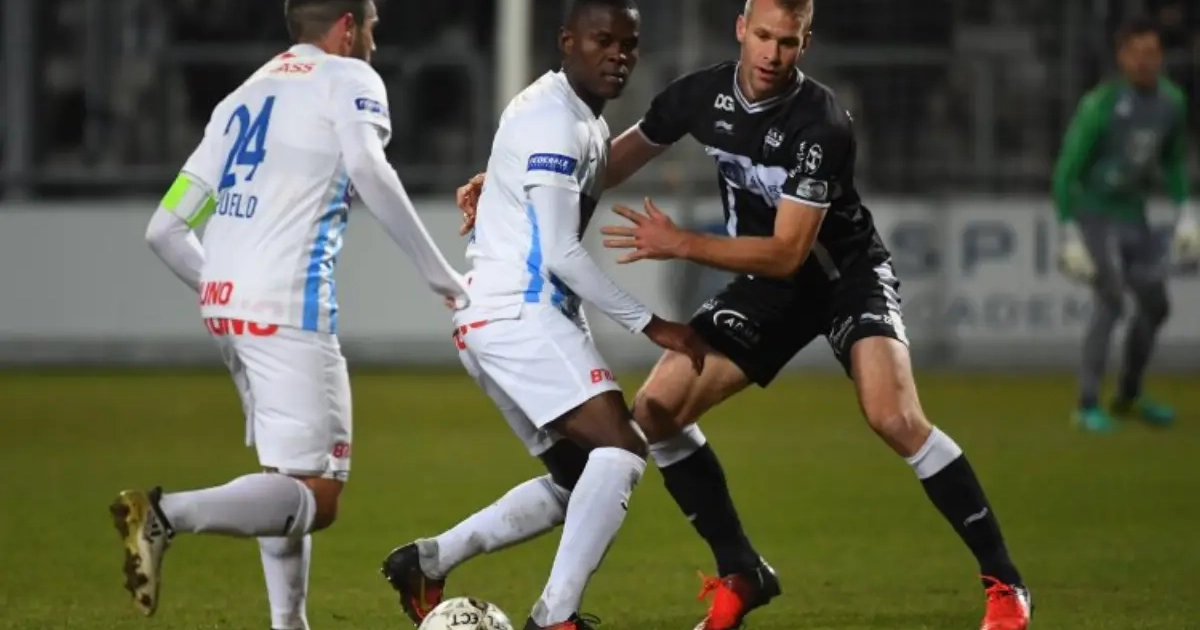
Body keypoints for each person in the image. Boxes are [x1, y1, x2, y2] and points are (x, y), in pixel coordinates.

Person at [454, 1, 1034, 629]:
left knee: (892, 415)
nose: (771, 54)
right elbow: (607, 164)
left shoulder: (822, 123)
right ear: (741, 29)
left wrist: (681, 242)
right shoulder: (700, 96)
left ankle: (1005, 583)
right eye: (762, 36)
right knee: (656, 412)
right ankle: (742, 571)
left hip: (844, 279)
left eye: (787, 42)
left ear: (804, 44)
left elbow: (789, 251)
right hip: (767, 288)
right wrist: (510, 177)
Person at [112, 2, 470, 628]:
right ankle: (164, 514)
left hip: (226, 305)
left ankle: (288, 623)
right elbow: (369, 167)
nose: (375, 41)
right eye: (372, 26)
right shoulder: (349, 78)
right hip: (288, 307)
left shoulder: (242, 97)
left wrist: (226, 284)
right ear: (346, 26)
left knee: (283, 477)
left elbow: (164, 229)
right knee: (318, 496)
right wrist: (441, 274)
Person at [380, 2, 706, 629]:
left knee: (579, 476)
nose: (618, 55)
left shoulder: (567, 114)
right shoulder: (556, 120)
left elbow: (541, 189)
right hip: (519, 314)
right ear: (566, 42)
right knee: (621, 449)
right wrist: (652, 324)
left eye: (629, 44)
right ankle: (555, 617)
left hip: (497, 317)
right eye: (602, 40)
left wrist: (496, 185)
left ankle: (428, 561)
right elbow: (560, 251)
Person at [1052, 16, 1197, 433]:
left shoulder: (1171, 102)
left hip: (1134, 214)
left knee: (1156, 305)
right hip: (1095, 213)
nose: (1143, 61)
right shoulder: (1102, 104)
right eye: (1135, 53)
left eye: (1151, 53)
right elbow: (1067, 171)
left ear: (1161, 56)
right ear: (1121, 57)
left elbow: (1173, 160)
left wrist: (1186, 212)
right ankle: (1086, 403)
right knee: (1112, 298)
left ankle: (1128, 395)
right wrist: (1069, 233)